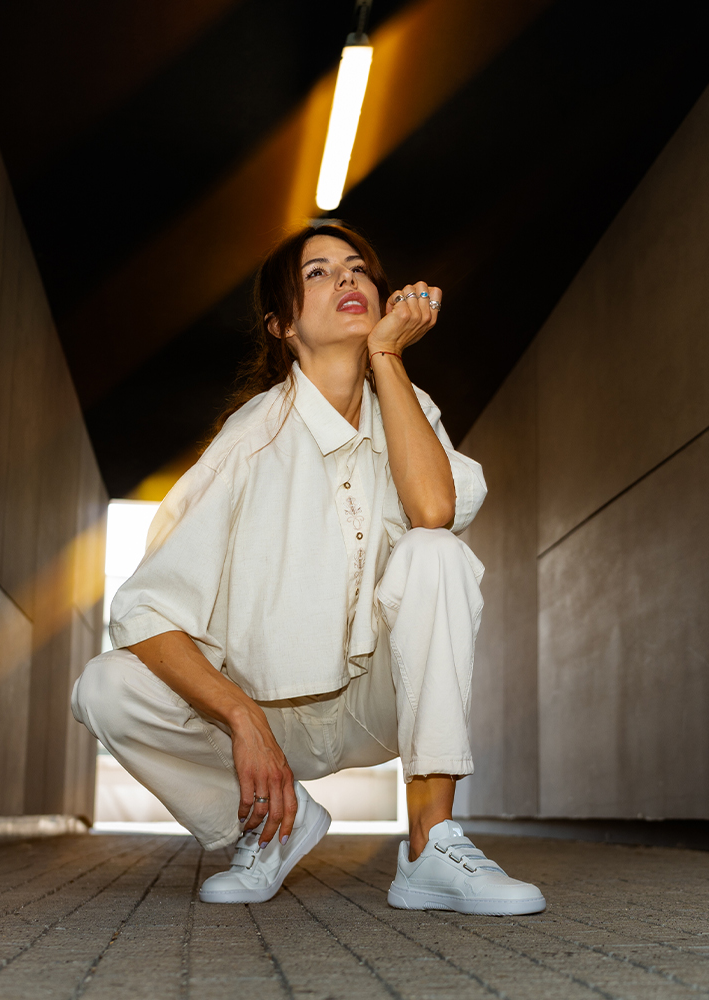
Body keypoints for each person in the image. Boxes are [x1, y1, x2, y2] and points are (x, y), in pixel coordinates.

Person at [71, 223, 545, 916]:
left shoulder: (409, 411)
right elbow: (143, 611)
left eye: (357, 270)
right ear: (283, 325)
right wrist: (240, 717)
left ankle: (429, 843)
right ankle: (272, 827)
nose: (346, 280)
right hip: (269, 713)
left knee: (434, 552)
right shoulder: (250, 439)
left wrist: (386, 354)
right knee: (104, 687)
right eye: (318, 273)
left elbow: (435, 509)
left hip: (379, 702)